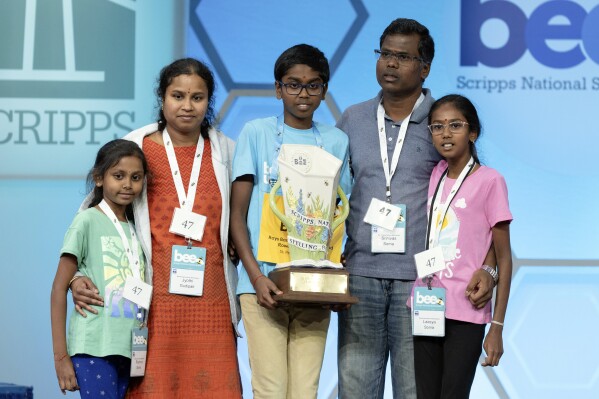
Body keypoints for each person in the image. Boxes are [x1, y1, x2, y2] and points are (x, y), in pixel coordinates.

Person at [335, 18, 496, 399]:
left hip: (423, 282)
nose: (390, 63)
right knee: (355, 390)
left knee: (416, 391)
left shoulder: (441, 124)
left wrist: (489, 268)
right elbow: (333, 195)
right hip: (360, 274)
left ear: (424, 67)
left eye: (403, 57)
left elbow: (481, 211)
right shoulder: (353, 119)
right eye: (385, 53)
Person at [70, 58, 242, 398]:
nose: (187, 106)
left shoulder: (227, 152)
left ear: (208, 102)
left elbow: (245, 216)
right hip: (154, 302)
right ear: (162, 98)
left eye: (198, 97)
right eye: (178, 95)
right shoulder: (137, 147)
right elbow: (94, 215)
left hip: (212, 302)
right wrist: (77, 277)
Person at [229, 44, 351, 399]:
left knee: (304, 391)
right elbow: (237, 215)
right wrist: (254, 277)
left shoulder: (336, 142)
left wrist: (336, 280)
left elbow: (340, 214)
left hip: (314, 286)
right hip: (263, 285)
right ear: (278, 88)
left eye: (313, 85)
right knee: (270, 389)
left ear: (324, 91)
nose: (303, 93)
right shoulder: (256, 133)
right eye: (293, 84)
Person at [411, 94, 513, 398]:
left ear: (473, 132)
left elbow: (505, 257)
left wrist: (497, 326)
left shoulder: (490, 180)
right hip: (427, 302)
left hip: (467, 308)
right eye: (437, 126)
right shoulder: (435, 174)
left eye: (455, 125)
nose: (445, 133)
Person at [51, 139, 149, 397]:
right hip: (93, 346)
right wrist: (61, 357)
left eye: (136, 177)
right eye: (118, 176)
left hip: (132, 348)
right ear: (98, 178)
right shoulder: (86, 221)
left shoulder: (140, 229)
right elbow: (58, 289)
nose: (127, 184)